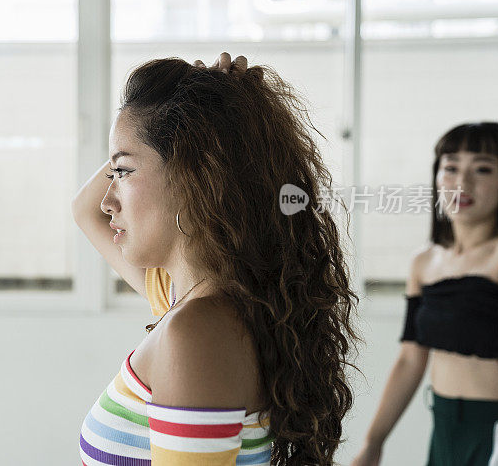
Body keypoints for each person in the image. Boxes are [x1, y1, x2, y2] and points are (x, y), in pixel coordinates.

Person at [73, 53, 359, 465]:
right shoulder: (187, 302)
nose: (107, 200)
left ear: (195, 174)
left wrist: (193, 125)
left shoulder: (196, 332)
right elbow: (84, 210)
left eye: (123, 173)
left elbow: (88, 210)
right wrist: (190, 116)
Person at [352, 122, 498, 466]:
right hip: (445, 429)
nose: (462, 183)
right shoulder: (424, 262)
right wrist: (373, 443)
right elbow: (410, 359)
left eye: (482, 168)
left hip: (493, 431)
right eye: (450, 168)